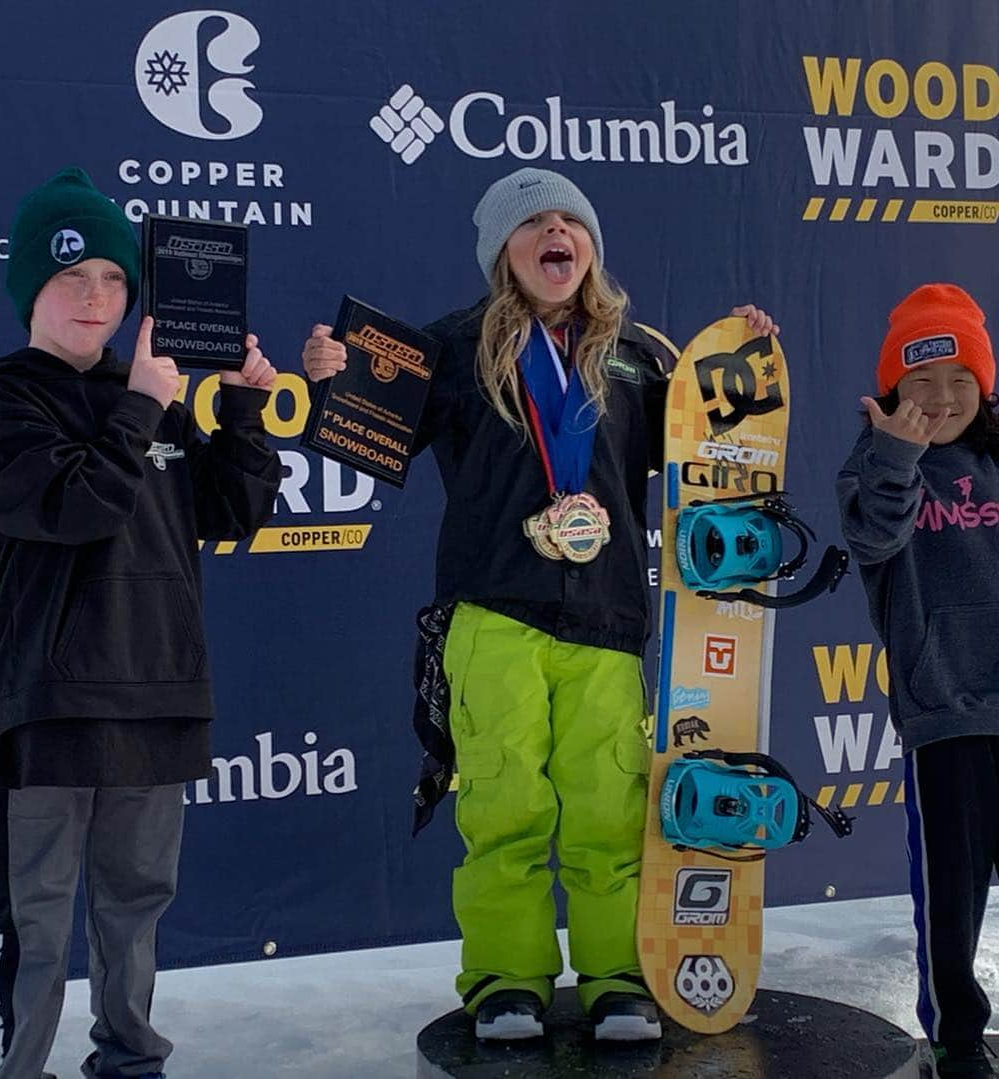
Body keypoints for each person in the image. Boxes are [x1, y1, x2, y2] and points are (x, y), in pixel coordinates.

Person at [303, 166, 776, 1042]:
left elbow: (717, 449)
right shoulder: (449, 347)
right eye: (534, 224)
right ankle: (505, 981)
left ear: (590, 247)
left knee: (609, 811)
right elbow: (372, 441)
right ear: (501, 253)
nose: (556, 233)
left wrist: (737, 361)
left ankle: (618, 979)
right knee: (503, 807)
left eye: (572, 222)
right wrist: (332, 381)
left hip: (607, 621)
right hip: (492, 613)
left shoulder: (643, 356)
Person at [0, 167, 281, 1079]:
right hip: (46, 705)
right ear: (29, 289)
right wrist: (145, 406)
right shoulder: (8, 399)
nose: (95, 297)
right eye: (72, 277)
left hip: (158, 689)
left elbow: (229, 515)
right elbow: (77, 505)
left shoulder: (141, 392)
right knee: (33, 919)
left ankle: (131, 1058)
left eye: (114, 279)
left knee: (136, 905)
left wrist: (239, 408)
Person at [836, 283, 999, 1078]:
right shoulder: (876, 469)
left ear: (986, 387)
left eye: (959, 382)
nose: (941, 400)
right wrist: (897, 450)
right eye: (922, 385)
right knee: (952, 902)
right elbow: (875, 531)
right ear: (894, 391)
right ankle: (955, 1037)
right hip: (944, 724)